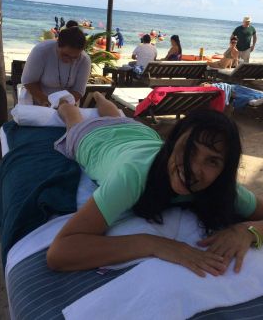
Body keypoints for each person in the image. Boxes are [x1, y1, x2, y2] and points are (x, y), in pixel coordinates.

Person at [47, 94, 263, 277]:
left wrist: (247, 231)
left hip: (140, 134)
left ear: (223, 170)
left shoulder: (221, 190)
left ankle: (99, 97)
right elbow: (60, 252)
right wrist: (155, 244)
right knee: (74, 119)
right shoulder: (134, 175)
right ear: (173, 143)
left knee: (116, 116)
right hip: (93, 139)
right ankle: (67, 102)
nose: (193, 168)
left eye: (212, 161)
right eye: (189, 148)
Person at [21, 27, 91, 106]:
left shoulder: (84, 60)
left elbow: (78, 91)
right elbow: (29, 82)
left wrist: (64, 104)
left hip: (67, 104)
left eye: (74, 57)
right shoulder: (41, 51)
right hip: (38, 102)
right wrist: (44, 101)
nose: (69, 60)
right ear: (58, 44)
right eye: (65, 55)